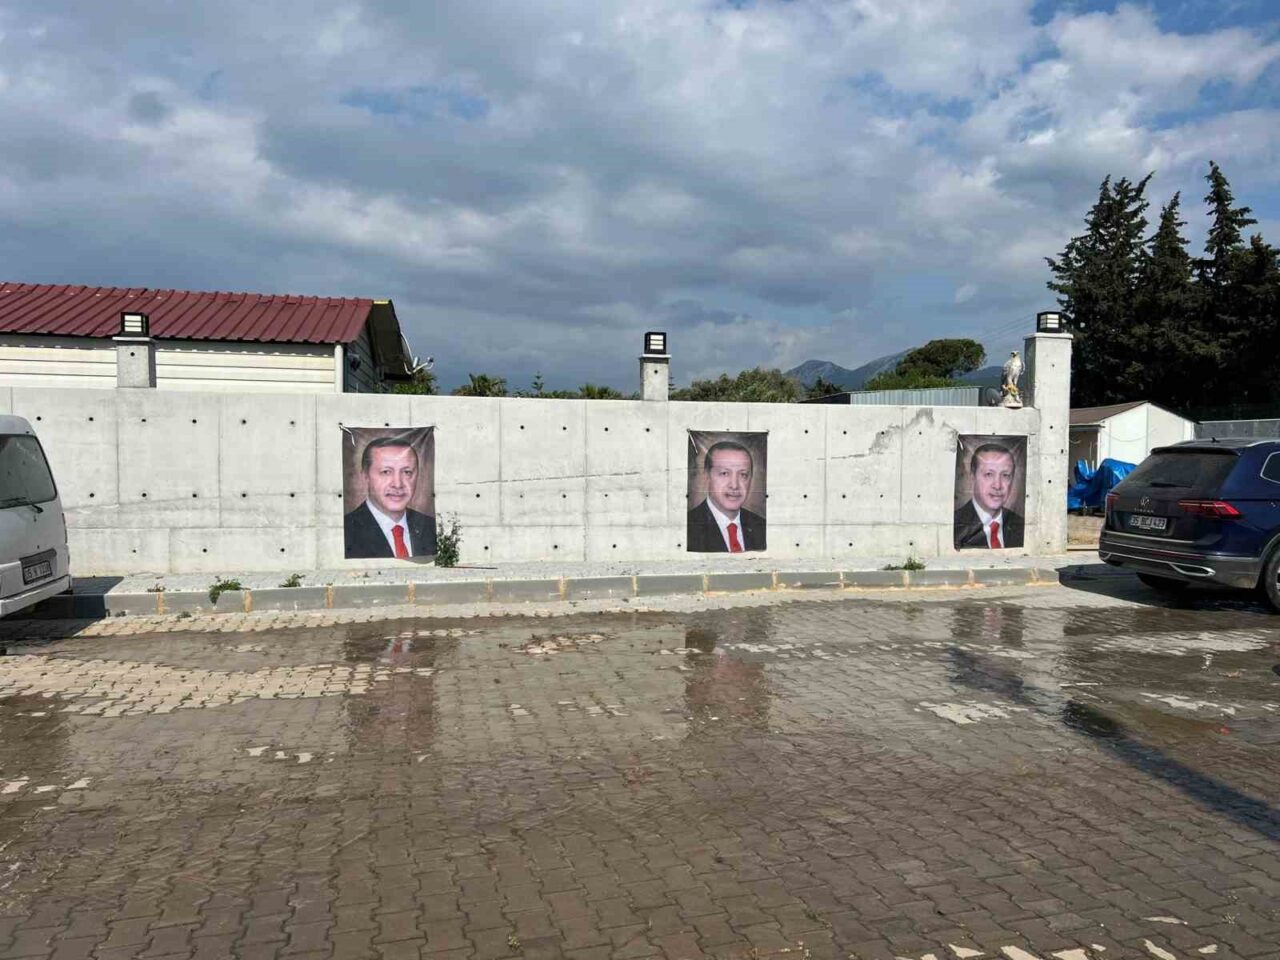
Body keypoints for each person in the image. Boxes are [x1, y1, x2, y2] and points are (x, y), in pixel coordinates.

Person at [344, 437, 437, 559]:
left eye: (407, 472)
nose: (397, 484)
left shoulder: (432, 527)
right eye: (386, 472)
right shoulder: (345, 530)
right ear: (365, 476)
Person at [687, 440, 766, 552]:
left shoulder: (763, 526)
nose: (734, 485)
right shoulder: (687, 528)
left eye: (743, 475)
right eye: (724, 473)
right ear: (706, 477)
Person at [954, 442, 1024, 549]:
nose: (997, 485)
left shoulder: (1023, 525)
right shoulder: (954, 525)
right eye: (989, 474)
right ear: (973, 477)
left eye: (1005, 475)